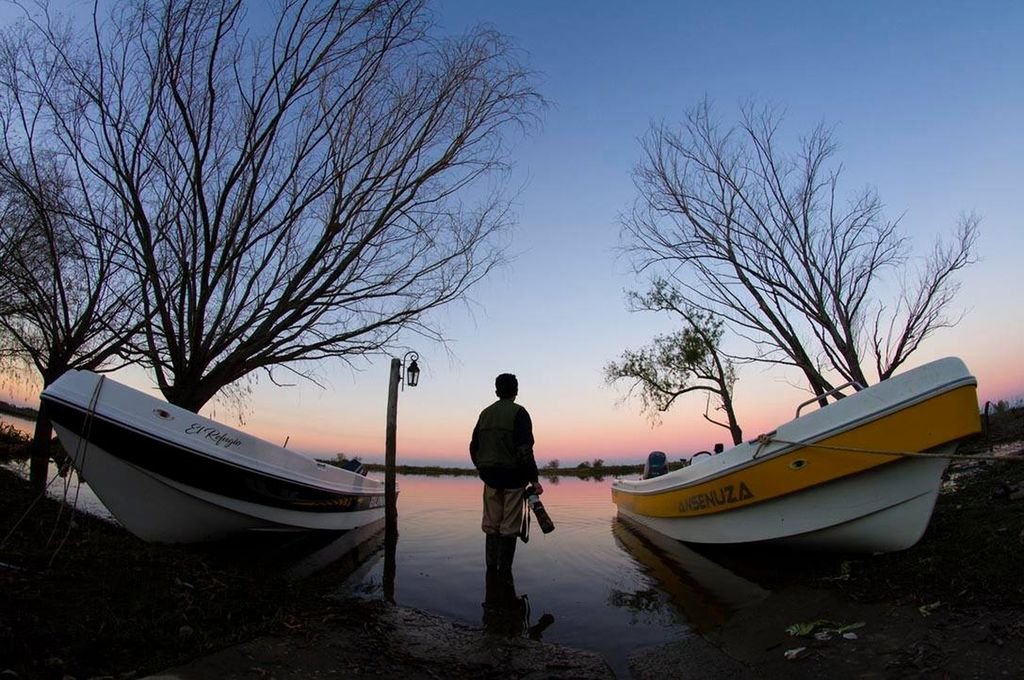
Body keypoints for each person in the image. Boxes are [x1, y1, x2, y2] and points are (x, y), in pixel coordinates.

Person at [469, 373, 543, 572]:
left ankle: (491, 572)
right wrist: (534, 480)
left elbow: (473, 446)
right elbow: (524, 450)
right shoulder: (520, 413)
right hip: (513, 479)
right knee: (509, 527)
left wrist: (481, 468)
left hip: (490, 478)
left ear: (496, 391)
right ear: (516, 391)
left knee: (491, 525)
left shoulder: (485, 413)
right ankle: (505, 574)